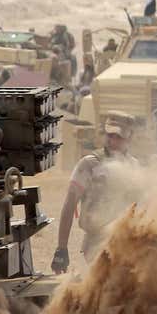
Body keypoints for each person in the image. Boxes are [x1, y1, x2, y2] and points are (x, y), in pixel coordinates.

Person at [52, 113, 138, 273]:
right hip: (97, 243)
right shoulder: (89, 164)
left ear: (130, 137)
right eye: (110, 135)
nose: (112, 140)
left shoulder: (134, 166)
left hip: (127, 242)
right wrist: (61, 249)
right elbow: (70, 204)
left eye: (118, 136)